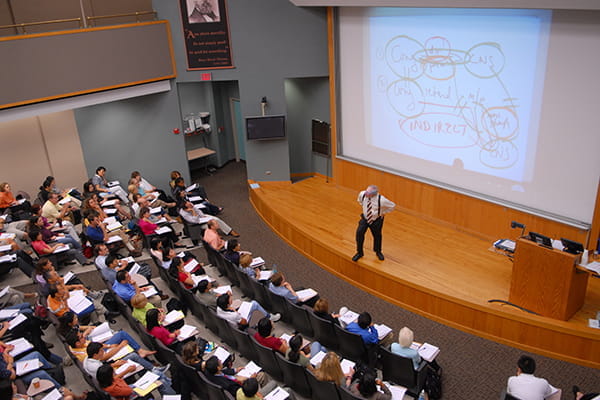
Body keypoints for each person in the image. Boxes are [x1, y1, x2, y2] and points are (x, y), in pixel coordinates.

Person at [84, 342, 174, 395]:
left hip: (119, 381)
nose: (103, 352)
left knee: (134, 357)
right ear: (95, 354)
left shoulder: (88, 360)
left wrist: (113, 365)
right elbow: (130, 390)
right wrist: (127, 370)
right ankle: (172, 390)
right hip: (131, 390)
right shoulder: (112, 385)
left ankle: (168, 382)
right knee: (160, 380)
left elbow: (106, 373)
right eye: (101, 351)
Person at [352, 185, 395, 261]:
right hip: (365, 218)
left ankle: (378, 252)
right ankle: (359, 252)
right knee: (359, 233)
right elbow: (360, 201)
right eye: (366, 191)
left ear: (373, 194)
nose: (366, 193)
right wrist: (366, 209)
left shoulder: (381, 200)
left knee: (377, 236)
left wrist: (383, 212)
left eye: (368, 192)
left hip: (376, 220)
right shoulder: (362, 194)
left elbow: (392, 206)